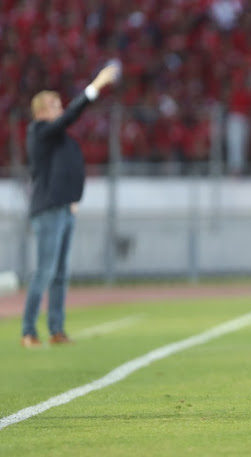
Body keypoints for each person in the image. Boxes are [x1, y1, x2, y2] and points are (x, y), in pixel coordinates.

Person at [20, 64, 120, 348]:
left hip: (64, 208)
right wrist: (95, 86)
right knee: (46, 271)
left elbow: (67, 169)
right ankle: (28, 330)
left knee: (60, 273)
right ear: (40, 111)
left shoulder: (56, 137)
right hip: (49, 209)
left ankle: (56, 329)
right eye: (54, 105)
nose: (60, 109)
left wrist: (73, 200)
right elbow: (69, 119)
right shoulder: (39, 131)